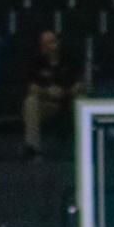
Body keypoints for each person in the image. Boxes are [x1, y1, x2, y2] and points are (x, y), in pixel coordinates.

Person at [22, 29, 80, 157]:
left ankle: (83, 145)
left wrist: (66, 92)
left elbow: (79, 83)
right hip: (47, 103)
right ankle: (32, 147)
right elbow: (32, 87)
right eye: (46, 43)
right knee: (30, 102)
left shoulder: (69, 58)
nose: (50, 46)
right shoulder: (35, 61)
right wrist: (48, 92)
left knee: (80, 100)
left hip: (68, 100)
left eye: (52, 42)